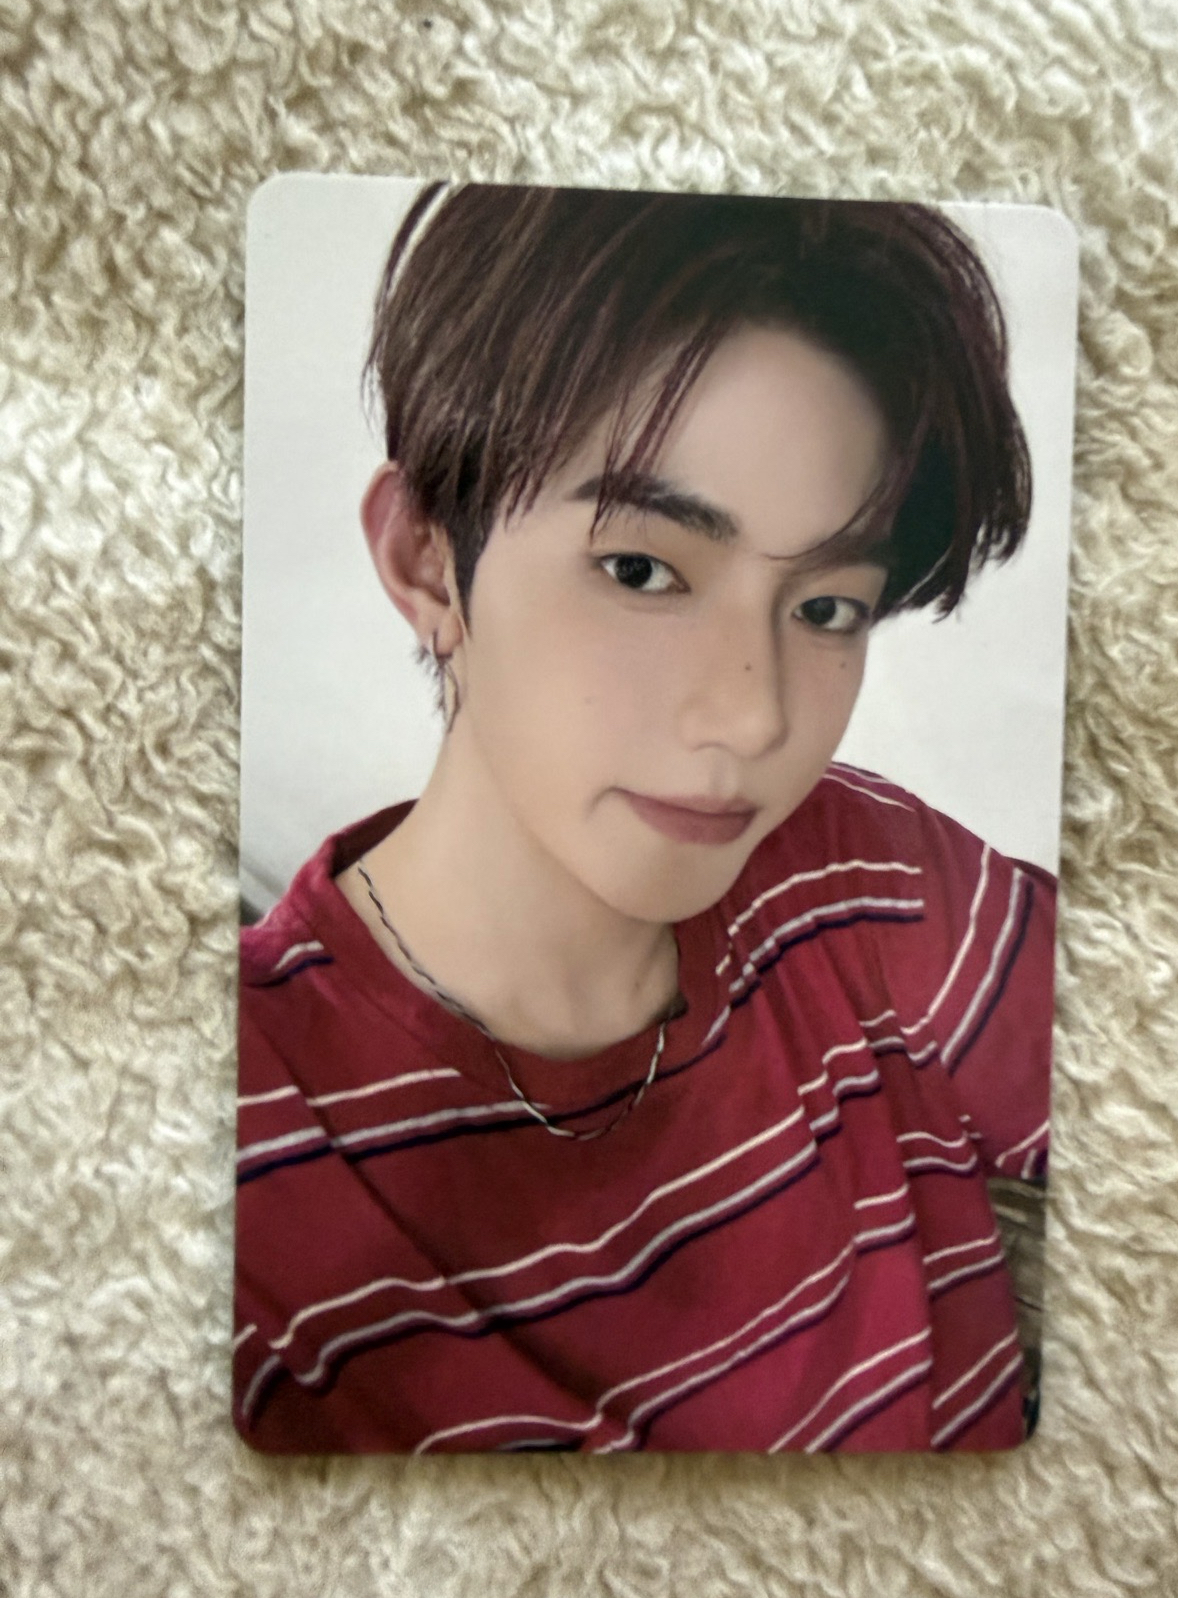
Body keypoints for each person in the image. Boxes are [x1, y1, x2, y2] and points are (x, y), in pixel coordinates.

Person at [233, 184, 1055, 1454]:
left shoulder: (865, 877)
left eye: (827, 607)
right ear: (428, 560)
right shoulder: (237, 1130)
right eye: (643, 570)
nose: (754, 717)